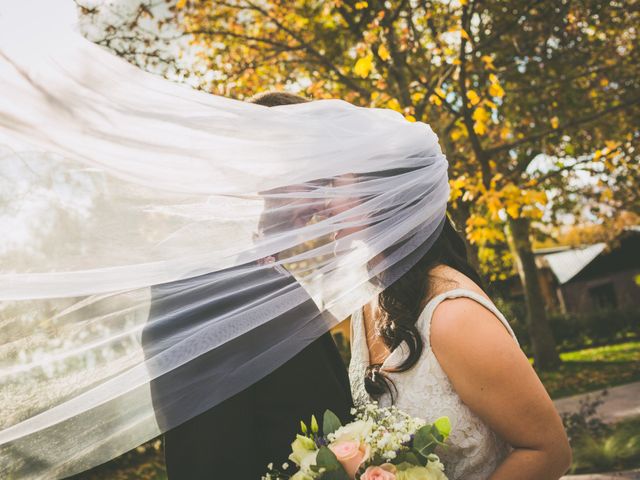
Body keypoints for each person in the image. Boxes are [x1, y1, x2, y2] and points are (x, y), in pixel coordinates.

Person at [142, 91, 353, 480]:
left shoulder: (269, 273)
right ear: (263, 177)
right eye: (313, 183)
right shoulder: (201, 285)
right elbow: (206, 457)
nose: (324, 205)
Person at [329, 173, 572, 480]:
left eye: (335, 185)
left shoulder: (453, 314)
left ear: (380, 194)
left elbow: (549, 452)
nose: (322, 204)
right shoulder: (365, 305)